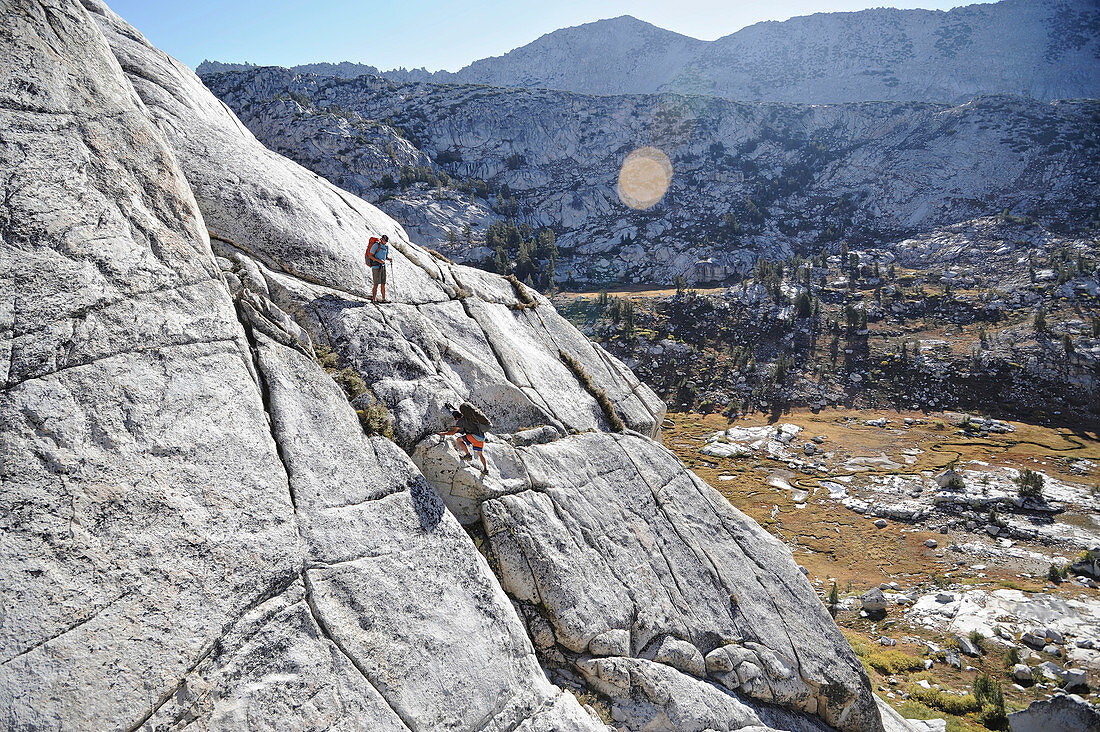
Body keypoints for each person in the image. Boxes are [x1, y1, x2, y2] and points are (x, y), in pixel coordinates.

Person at [439, 403, 492, 473]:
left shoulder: (460, 421)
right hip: (481, 437)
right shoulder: (470, 418)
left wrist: (443, 433)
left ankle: (468, 455)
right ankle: (485, 469)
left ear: (456, 418)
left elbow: (453, 432)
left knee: (459, 440)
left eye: (455, 418)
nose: (455, 420)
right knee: (480, 454)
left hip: (475, 436)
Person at [365, 234, 392, 302]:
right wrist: (378, 260)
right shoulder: (376, 245)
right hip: (376, 266)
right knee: (376, 284)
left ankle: (383, 299)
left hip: (383, 266)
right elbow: (370, 256)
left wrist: (389, 259)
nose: (384, 242)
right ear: (381, 239)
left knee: (383, 283)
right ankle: (373, 299)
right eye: (384, 240)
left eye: (385, 241)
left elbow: (385, 257)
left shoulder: (386, 247)